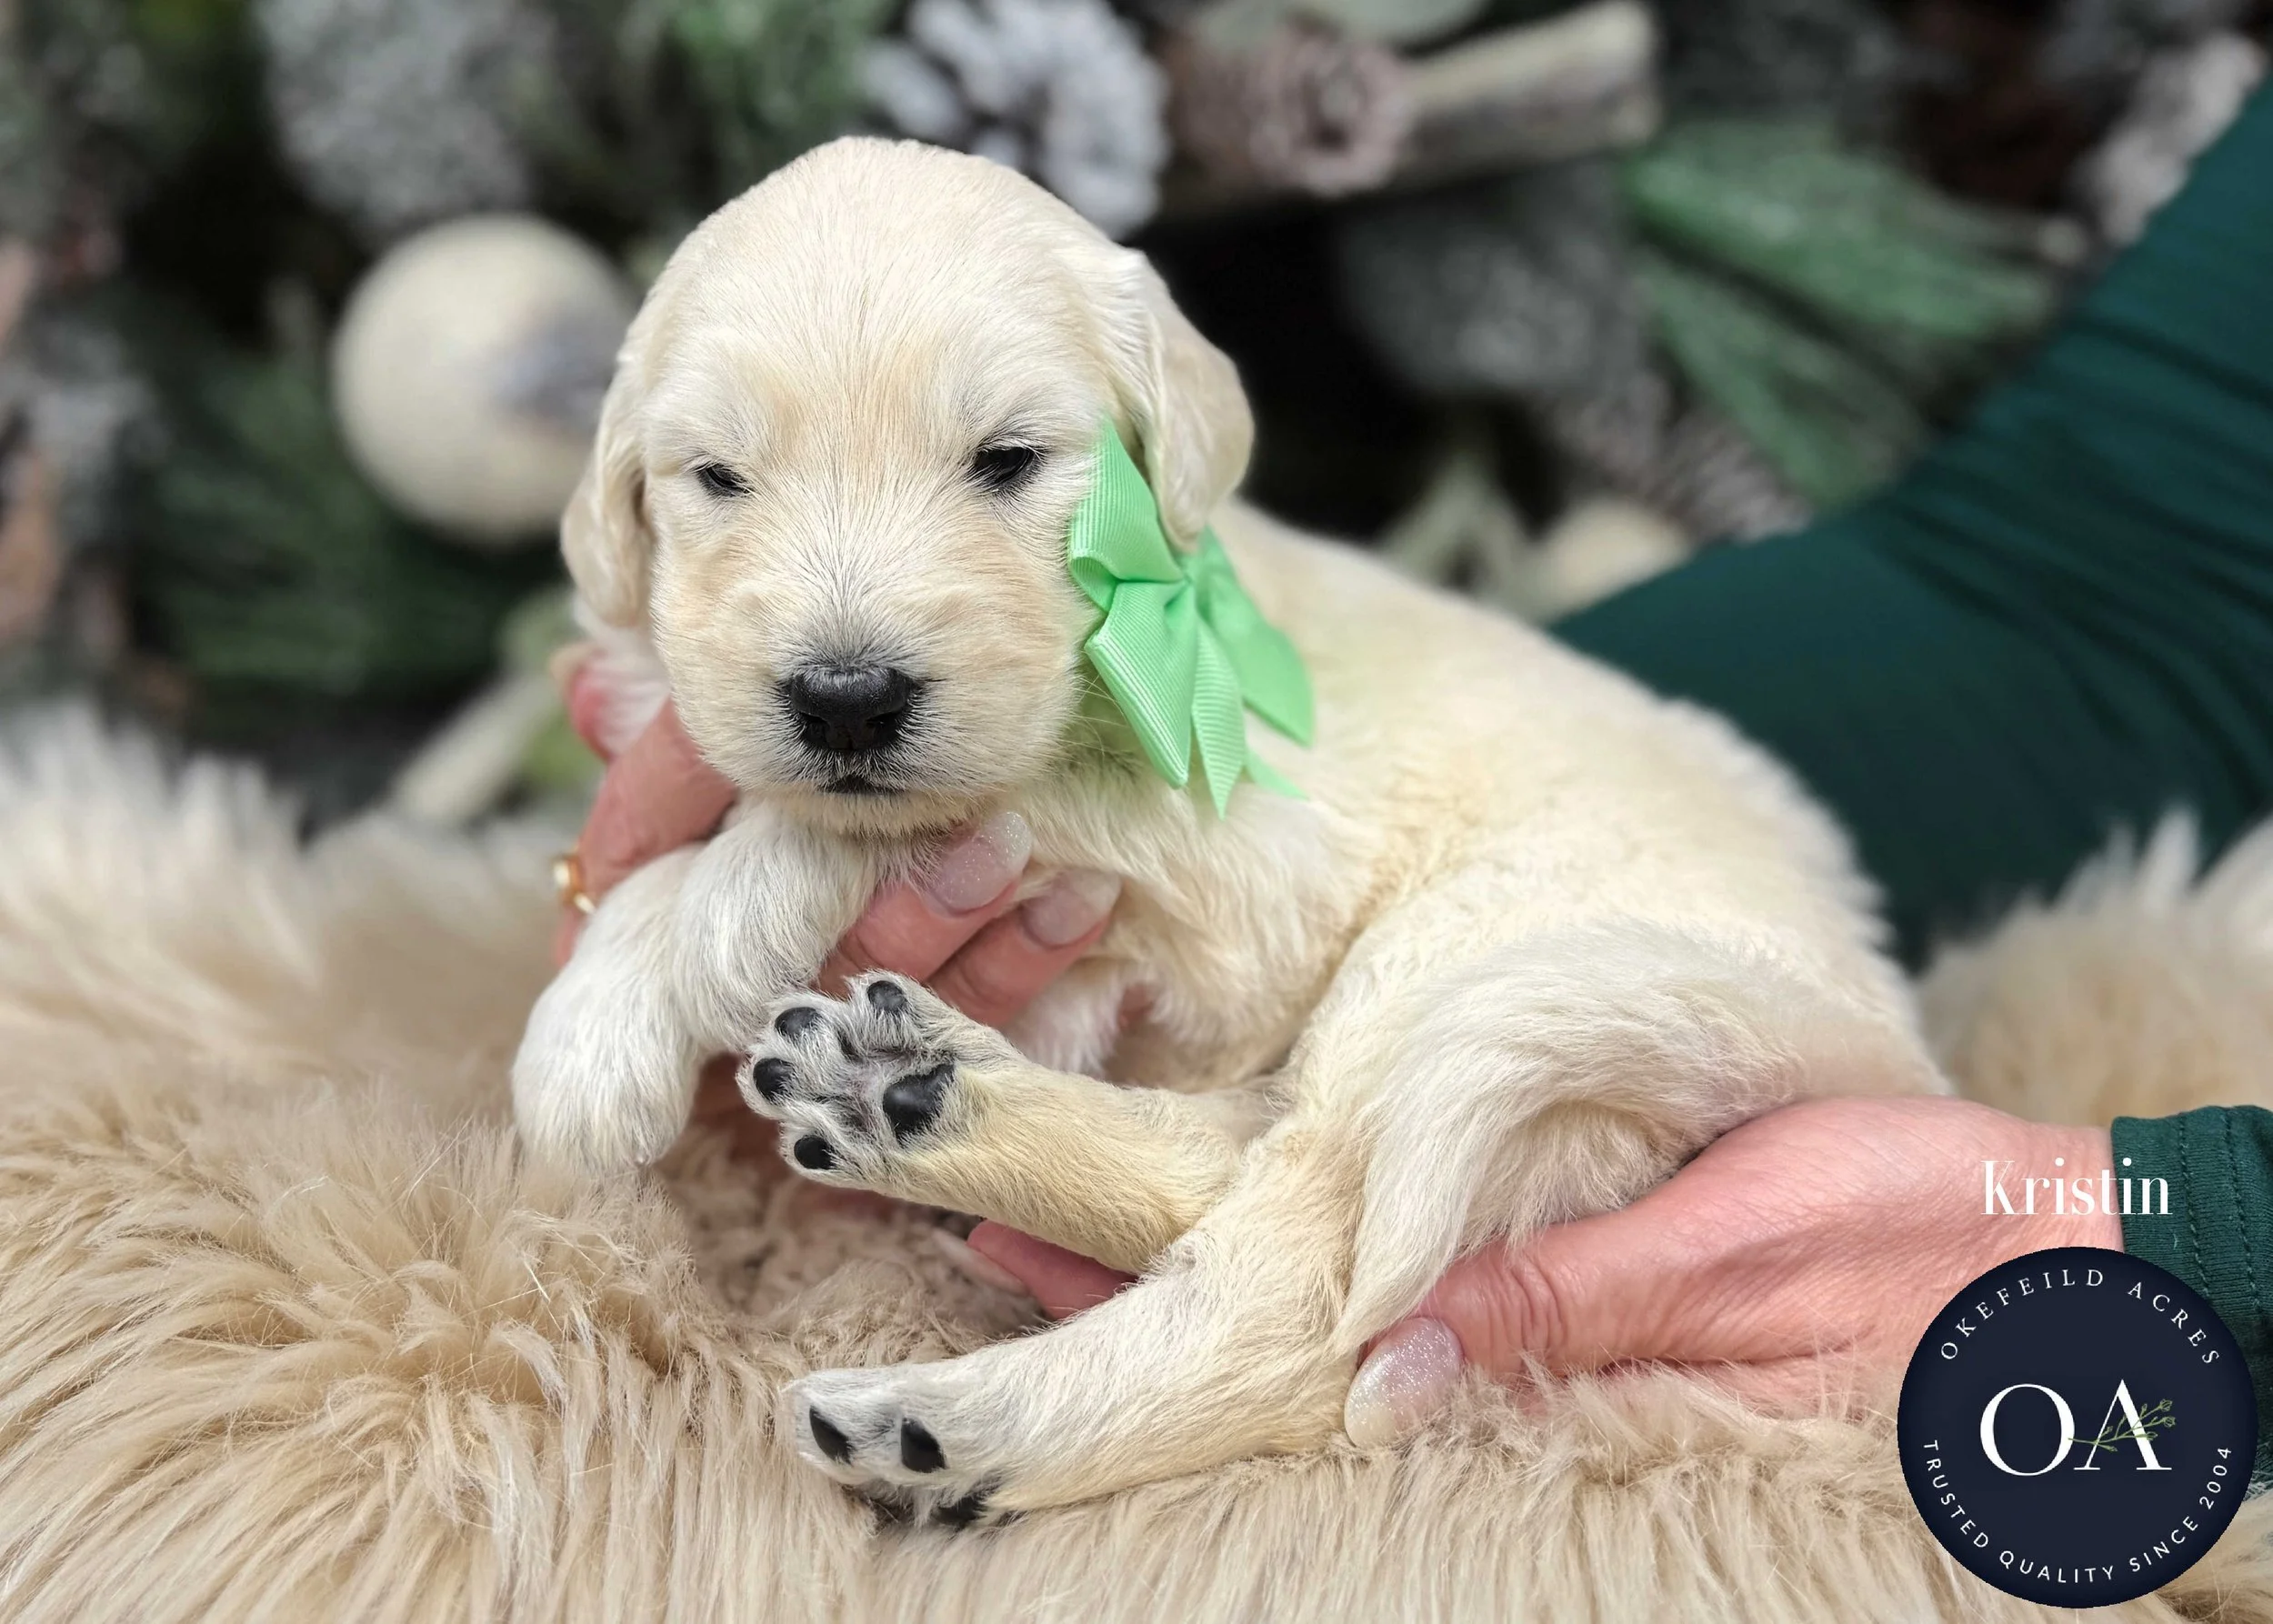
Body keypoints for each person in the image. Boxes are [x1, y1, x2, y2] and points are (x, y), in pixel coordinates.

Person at [545, 85, 2273, 1472]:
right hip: (1721, 807)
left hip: (1577, 949)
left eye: (1006, 463)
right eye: (719, 477)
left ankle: (1132, 1393)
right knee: (1384, 1061)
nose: (844, 643)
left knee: (1438, 1039)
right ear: (625, 491)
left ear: (1166, 448)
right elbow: (2120, 568)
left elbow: (1253, 906)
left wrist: (2196, 1236)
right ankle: (1120, 1168)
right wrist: (657, 886)